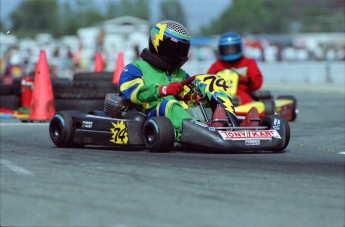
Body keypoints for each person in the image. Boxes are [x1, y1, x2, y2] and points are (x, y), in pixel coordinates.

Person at [119, 20, 193, 138]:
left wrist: (199, 97)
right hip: (149, 115)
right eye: (176, 49)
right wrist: (163, 90)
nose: (179, 54)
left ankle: (219, 126)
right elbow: (133, 94)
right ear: (160, 44)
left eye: (183, 50)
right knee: (168, 104)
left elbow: (189, 100)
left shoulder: (181, 74)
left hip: (179, 116)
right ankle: (195, 133)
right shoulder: (136, 68)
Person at [207, 32, 263, 105]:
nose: (230, 51)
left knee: (245, 98)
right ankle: (226, 103)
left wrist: (245, 79)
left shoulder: (248, 63)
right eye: (226, 49)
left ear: (239, 47)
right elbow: (207, 81)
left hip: (242, 94)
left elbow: (257, 83)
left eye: (232, 48)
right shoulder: (217, 65)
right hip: (220, 94)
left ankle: (235, 102)